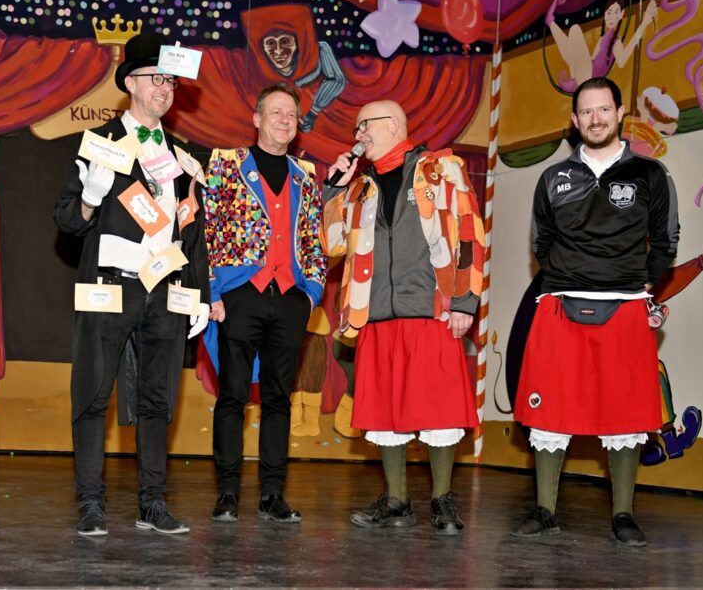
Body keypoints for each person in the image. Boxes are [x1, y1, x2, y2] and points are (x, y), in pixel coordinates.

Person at [53, 32, 210, 537]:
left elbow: (192, 232)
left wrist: (199, 295)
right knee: (93, 395)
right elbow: (67, 221)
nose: (166, 88)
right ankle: (90, 502)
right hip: (110, 286)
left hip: (165, 292)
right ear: (131, 84)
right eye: (156, 78)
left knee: (157, 400)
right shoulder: (99, 143)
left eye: (171, 81)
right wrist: (90, 197)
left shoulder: (184, 157)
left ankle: (153, 503)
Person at [512, 77, 679, 547]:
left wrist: (641, 282)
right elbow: (541, 241)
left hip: (625, 307)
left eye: (603, 109)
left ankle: (623, 515)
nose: (595, 119)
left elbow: (666, 239)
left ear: (620, 113)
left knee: (627, 415)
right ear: (574, 120)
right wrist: (568, 275)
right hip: (560, 304)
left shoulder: (651, 174)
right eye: (586, 112)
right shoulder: (553, 178)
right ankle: (545, 511)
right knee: (549, 413)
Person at [321, 100, 485, 536]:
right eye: (357, 128)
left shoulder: (441, 170)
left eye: (364, 126)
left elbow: (469, 233)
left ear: (393, 124)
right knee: (383, 413)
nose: (359, 135)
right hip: (375, 313)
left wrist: (465, 302)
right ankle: (396, 500)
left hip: (432, 310)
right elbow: (333, 244)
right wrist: (334, 189)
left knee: (439, 411)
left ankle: (442, 499)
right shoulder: (359, 188)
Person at [202, 82, 326, 523]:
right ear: (256, 119)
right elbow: (207, 228)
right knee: (232, 396)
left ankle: (273, 494)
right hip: (240, 295)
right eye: (275, 112)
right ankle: (227, 492)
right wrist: (214, 292)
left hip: (290, 299)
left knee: (278, 399)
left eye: (291, 114)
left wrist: (310, 294)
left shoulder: (305, 175)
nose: (284, 120)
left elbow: (314, 238)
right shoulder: (226, 164)